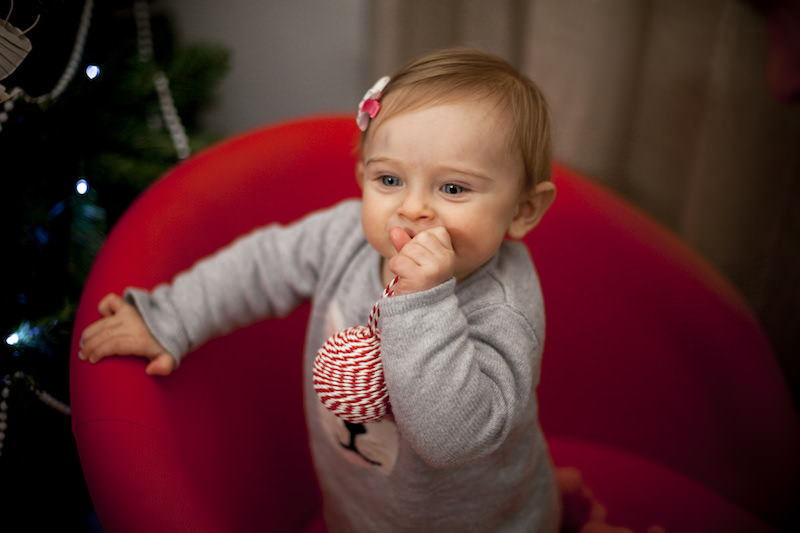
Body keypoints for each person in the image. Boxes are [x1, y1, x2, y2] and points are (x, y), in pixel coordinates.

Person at [79, 47, 561, 532]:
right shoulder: (345, 237)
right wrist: (171, 318)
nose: (413, 208)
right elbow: (259, 265)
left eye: (453, 189)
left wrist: (422, 301)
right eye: (389, 179)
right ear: (362, 179)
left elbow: (451, 441)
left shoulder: (503, 307)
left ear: (522, 211)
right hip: (358, 510)